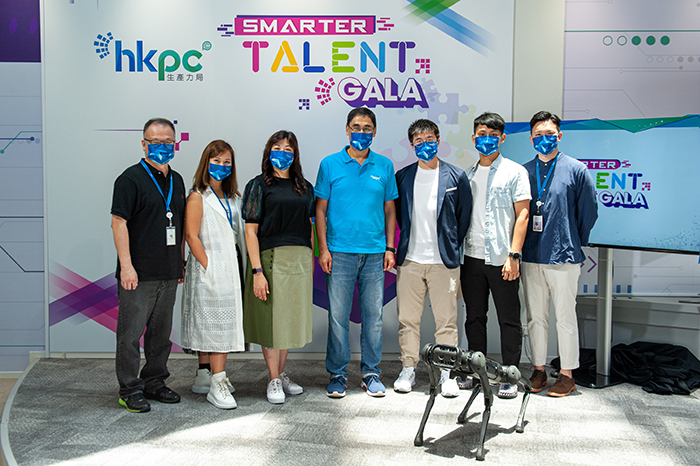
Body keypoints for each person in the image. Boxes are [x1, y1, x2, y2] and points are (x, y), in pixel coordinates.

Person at [315, 107, 398, 398]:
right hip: (339, 253)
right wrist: (323, 249)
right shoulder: (329, 164)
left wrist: (390, 248)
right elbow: (320, 210)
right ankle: (338, 374)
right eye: (355, 127)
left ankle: (371, 373)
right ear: (347, 129)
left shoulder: (384, 166)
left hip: (376, 254)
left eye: (366, 128)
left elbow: (390, 210)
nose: (361, 132)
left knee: (373, 317)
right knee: (337, 317)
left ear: (374, 132)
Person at [110, 118, 186, 413]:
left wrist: (179, 262)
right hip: (138, 274)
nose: (162, 147)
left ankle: (155, 381)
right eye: (155, 142)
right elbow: (118, 224)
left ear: (175, 144)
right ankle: (129, 389)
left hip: (168, 271)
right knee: (130, 335)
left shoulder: (177, 180)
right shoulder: (130, 179)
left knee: (160, 333)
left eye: (168, 142)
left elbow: (177, 224)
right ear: (143, 144)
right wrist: (126, 267)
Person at [521, 111, 598, 397]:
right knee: (535, 318)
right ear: (531, 139)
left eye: (549, 134)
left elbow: (589, 212)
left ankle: (567, 374)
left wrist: (574, 239)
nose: (544, 139)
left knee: (565, 317)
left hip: (564, 255)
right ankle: (539, 369)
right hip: (531, 256)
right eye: (538, 135)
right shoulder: (524, 171)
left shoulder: (576, 169)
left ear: (559, 135)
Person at [393, 119, 472, 397]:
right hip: (410, 261)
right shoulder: (402, 177)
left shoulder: (456, 176)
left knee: (446, 321)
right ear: (411, 144)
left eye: (429, 139)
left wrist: (449, 243)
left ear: (438, 141)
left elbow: (464, 218)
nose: (424, 145)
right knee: (408, 319)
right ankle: (408, 368)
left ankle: (447, 373)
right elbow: (398, 217)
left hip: (444, 262)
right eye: (418, 141)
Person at [461, 112, 531, 399]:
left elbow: (523, 214)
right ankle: (476, 373)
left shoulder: (515, 172)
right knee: (475, 318)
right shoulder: (466, 174)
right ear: (474, 137)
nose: (486, 140)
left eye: (493, 135)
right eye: (481, 134)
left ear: (502, 138)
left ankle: (509, 374)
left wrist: (514, 255)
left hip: (503, 259)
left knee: (509, 319)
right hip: (471, 258)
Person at [242, 130, 314, 404]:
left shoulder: (304, 187)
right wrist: (258, 271)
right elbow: (251, 232)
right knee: (271, 321)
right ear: (268, 152)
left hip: (299, 259)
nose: (282, 153)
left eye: (288, 149)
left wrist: (310, 257)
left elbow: (309, 226)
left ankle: (281, 373)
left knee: (288, 321)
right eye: (277, 147)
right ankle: (272, 378)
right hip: (270, 259)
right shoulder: (258, 185)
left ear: (295, 155)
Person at [181, 140, 246, 409]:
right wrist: (209, 266)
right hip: (210, 267)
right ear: (206, 163)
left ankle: (206, 376)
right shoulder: (198, 196)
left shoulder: (233, 197)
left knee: (219, 322)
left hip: (232, 264)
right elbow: (191, 236)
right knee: (217, 326)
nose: (221, 166)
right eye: (216, 161)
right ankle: (217, 383)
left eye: (226, 162)